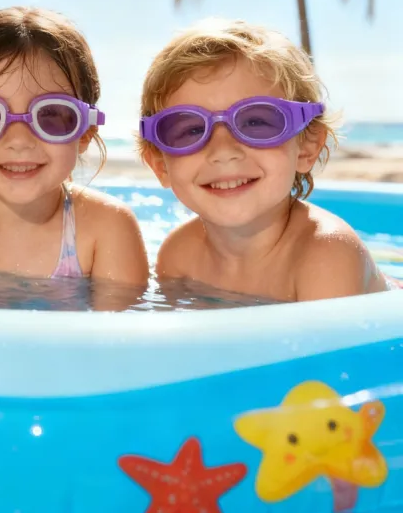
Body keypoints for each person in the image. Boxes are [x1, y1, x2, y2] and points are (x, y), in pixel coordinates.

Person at [138, 18, 390, 302]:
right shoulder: (179, 255)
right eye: (191, 129)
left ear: (307, 147)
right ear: (160, 164)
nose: (223, 150)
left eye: (256, 122)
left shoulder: (325, 254)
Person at [0, 6, 149, 291]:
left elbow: (119, 334)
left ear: (85, 132)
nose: (19, 140)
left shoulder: (107, 229)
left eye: (51, 115)